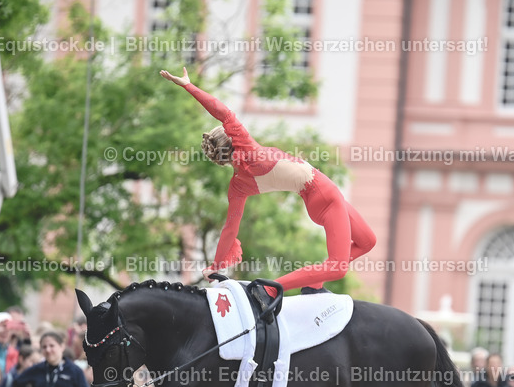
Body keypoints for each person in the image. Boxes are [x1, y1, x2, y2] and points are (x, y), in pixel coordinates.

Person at [160, 68, 376, 292]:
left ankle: (313, 280)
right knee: (338, 267)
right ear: (231, 138)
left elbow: (230, 229)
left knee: (367, 241)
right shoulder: (250, 150)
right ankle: (272, 288)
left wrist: (216, 265)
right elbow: (220, 110)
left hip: (317, 201)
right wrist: (188, 85)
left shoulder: (238, 186)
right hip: (326, 196)